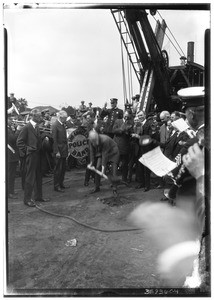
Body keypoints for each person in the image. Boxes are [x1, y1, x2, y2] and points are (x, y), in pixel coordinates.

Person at [16, 109, 49, 207]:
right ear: (34, 117)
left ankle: (38, 196)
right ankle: (27, 199)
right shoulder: (26, 127)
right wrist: (28, 151)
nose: (41, 118)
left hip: (38, 155)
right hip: (31, 156)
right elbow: (19, 142)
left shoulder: (36, 127)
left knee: (39, 176)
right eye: (39, 116)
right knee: (30, 177)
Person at [88, 130, 120, 195]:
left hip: (113, 152)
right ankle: (97, 187)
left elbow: (105, 154)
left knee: (114, 170)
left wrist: (103, 169)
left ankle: (114, 189)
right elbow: (91, 152)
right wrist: (91, 163)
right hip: (102, 153)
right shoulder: (91, 140)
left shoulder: (105, 139)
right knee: (97, 167)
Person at [112, 110, 133, 182]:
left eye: (128, 116)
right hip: (117, 146)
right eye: (125, 115)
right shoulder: (118, 121)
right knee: (115, 164)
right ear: (123, 114)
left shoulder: (131, 123)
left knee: (124, 165)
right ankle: (114, 181)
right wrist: (122, 129)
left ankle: (124, 180)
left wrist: (128, 132)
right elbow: (114, 130)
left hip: (125, 146)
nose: (126, 117)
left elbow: (131, 133)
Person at [51, 110, 69, 193]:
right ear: (61, 117)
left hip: (64, 150)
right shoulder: (55, 125)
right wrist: (56, 151)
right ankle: (56, 186)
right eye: (65, 118)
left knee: (63, 169)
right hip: (59, 151)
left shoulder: (62, 125)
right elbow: (54, 140)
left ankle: (61, 183)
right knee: (58, 169)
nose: (66, 119)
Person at [7, 116, 19, 199]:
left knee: (12, 174)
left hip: (12, 154)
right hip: (10, 154)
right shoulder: (6, 129)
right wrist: (18, 130)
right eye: (10, 119)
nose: (12, 120)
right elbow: (12, 139)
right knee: (10, 174)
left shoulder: (9, 128)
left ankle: (11, 190)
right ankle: (9, 192)